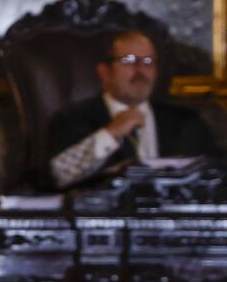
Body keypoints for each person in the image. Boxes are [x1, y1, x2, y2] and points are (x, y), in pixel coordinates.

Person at [47, 29, 217, 189]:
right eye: (129, 60)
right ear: (105, 72)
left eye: (148, 61)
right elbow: (57, 177)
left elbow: (216, 175)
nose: (140, 70)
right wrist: (111, 133)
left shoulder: (187, 121)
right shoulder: (71, 118)